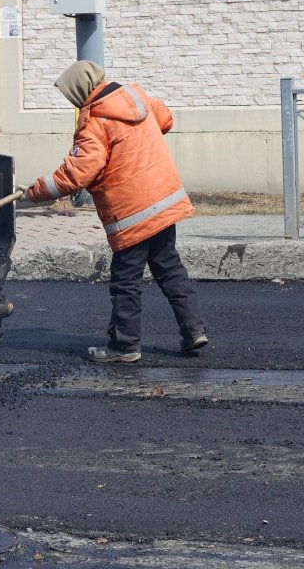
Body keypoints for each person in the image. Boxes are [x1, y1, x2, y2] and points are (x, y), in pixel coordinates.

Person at [24, 60, 208, 364]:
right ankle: (194, 331)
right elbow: (165, 118)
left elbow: (77, 172)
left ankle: (124, 346)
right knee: (169, 267)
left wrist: (35, 192)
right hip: (164, 199)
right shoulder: (136, 98)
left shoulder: (95, 121)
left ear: (80, 90)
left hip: (132, 213)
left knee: (126, 281)